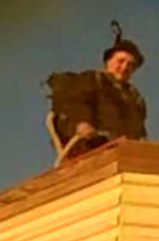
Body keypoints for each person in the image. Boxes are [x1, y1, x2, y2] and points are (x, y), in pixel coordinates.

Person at [44, 21, 148, 163]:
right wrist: (81, 124)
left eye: (131, 65)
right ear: (108, 62)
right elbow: (75, 107)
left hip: (126, 156)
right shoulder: (92, 80)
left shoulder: (135, 98)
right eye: (121, 61)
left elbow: (139, 131)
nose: (124, 67)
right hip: (91, 153)